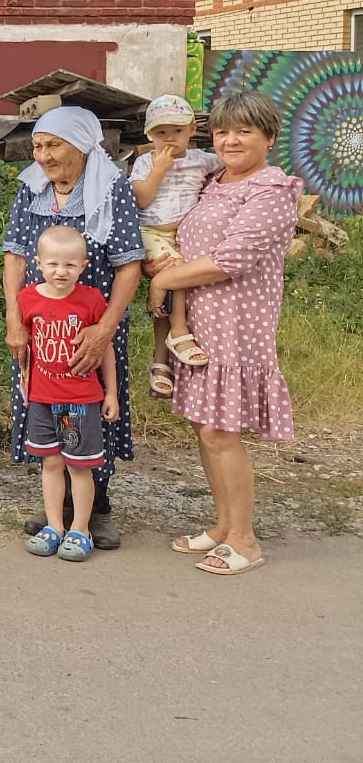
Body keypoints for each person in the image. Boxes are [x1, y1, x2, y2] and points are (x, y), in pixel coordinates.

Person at [148, 91, 301, 575]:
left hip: (237, 326)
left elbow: (233, 259)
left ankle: (245, 539)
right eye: (222, 131)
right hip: (197, 324)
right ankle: (222, 526)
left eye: (244, 131)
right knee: (204, 427)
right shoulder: (215, 180)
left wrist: (166, 278)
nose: (230, 140)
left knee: (219, 430)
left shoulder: (271, 190)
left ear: (269, 138)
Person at [3, 105, 143, 550]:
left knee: (89, 411)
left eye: (53, 145)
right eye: (38, 146)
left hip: (91, 326)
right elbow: (14, 256)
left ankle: (96, 509)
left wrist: (105, 328)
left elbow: (128, 265)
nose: (43, 156)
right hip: (40, 329)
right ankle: (56, 511)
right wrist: (14, 319)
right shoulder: (31, 190)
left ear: (81, 145)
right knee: (44, 408)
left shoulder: (111, 189)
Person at [19, 226, 120, 562]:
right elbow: (23, 348)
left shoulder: (91, 301)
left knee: (78, 466)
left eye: (69, 265)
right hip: (42, 401)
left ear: (84, 265)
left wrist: (112, 394)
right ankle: (54, 527)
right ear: (38, 263)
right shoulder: (28, 298)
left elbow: (105, 350)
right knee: (49, 462)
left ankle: (80, 528)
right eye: (53, 264)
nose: (60, 272)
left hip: (75, 402)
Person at [129, 93, 221, 398]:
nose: (169, 138)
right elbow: (141, 197)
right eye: (161, 132)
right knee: (176, 273)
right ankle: (179, 333)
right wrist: (160, 169)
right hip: (151, 232)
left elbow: (229, 164)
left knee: (171, 290)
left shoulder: (203, 160)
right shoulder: (146, 161)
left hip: (182, 235)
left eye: (177, 131)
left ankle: (160, 363)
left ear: (193, 129)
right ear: (148, 135)